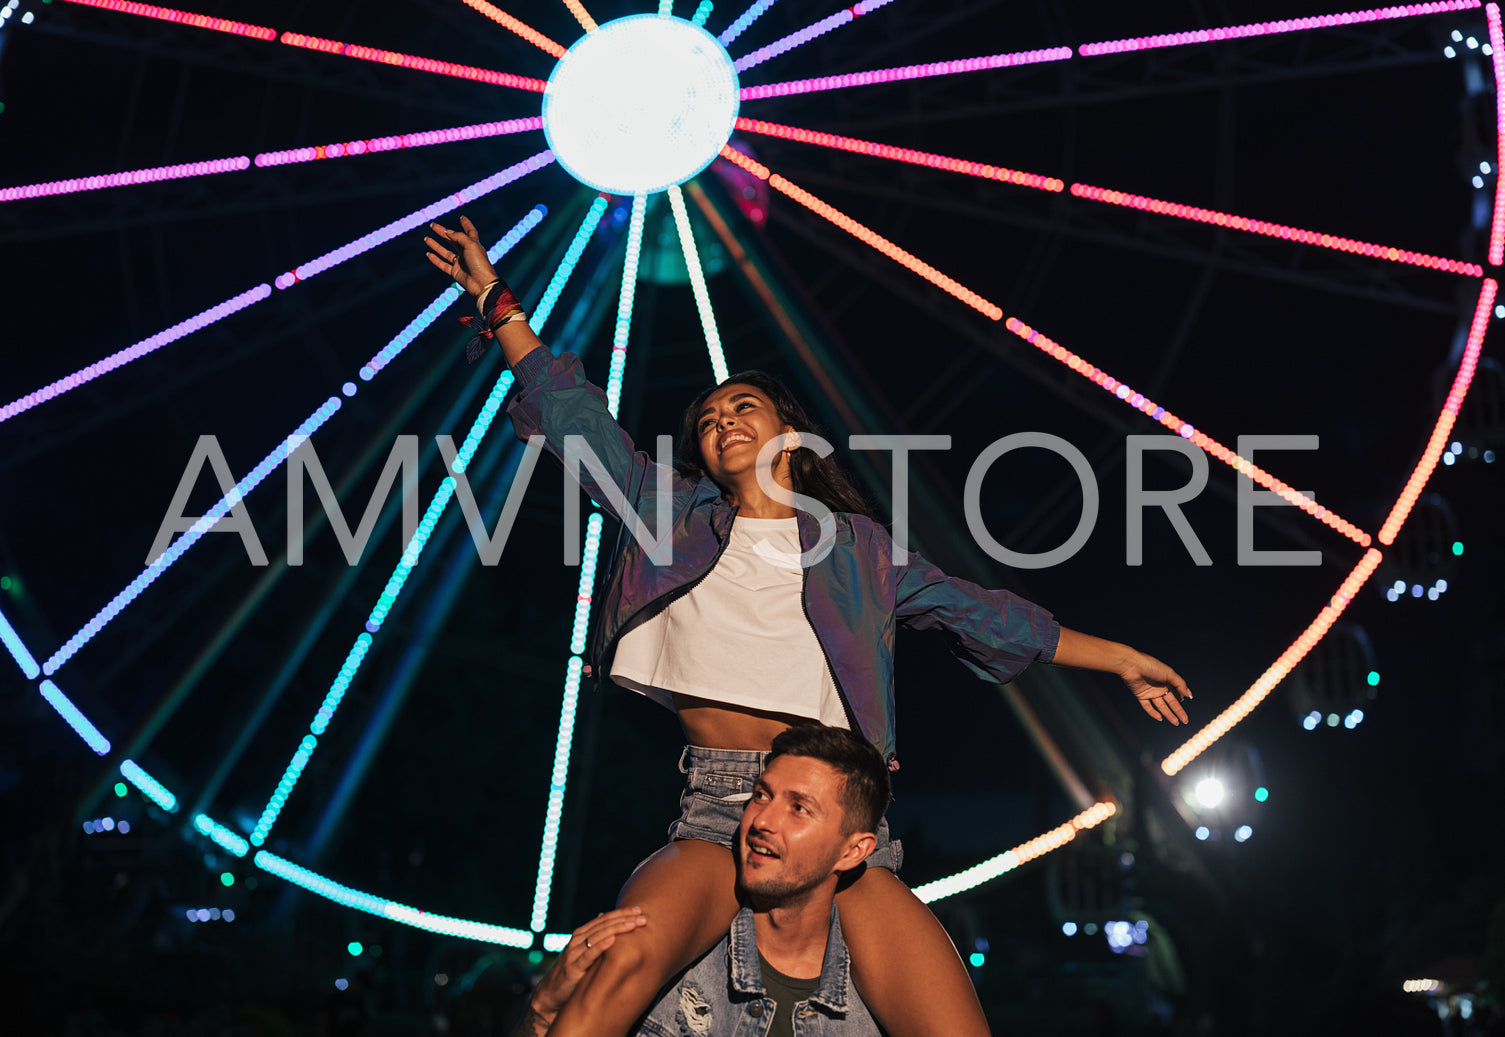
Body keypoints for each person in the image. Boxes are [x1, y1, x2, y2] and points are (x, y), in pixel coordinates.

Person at [425, 216, 1192, 1037]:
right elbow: (574, 417)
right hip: (720, 803)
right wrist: (497, 300)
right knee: (617, 968)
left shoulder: (858, 551)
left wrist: (1121, 658)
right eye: (707, 418)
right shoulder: (665, 515)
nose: (721, 421)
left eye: (742, 406)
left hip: (835, 810)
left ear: (789, 435)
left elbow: (981, 613)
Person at [514, 726, 891, 1037]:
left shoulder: (877, 1012)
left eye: (799, 808)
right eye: (761, 795)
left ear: (854, 851)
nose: (761, 821)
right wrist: (543, 1008)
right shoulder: (671, 964)